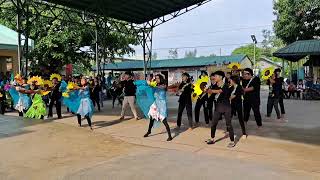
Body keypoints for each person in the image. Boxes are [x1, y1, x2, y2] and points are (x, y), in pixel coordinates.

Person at [206, 71, 235, 148]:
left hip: (226, 107)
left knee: (229, 125)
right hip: (218, 107)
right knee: (213, 124)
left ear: (221, 77)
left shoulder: (226, 85)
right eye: (214, 76)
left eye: (216, 76)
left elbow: (220, 91)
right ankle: (212, 139)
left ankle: (232, 141)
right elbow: (210, 93)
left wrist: (211, 91)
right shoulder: (214, 85)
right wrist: (206, 90)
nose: (214, 77)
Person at [144, 74, 173, 141]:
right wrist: (150, 84)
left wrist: (153, 85)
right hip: (156, 104)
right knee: (151, 118)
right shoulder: (155, 85)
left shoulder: (164, 85)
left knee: (164, 120)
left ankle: (170, 136)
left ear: (161, 79)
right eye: (156, 78)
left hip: (162, 105)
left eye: (158, 78)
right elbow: (151, 87)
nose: (157, 79)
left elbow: (161, 87)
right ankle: (149, 131)